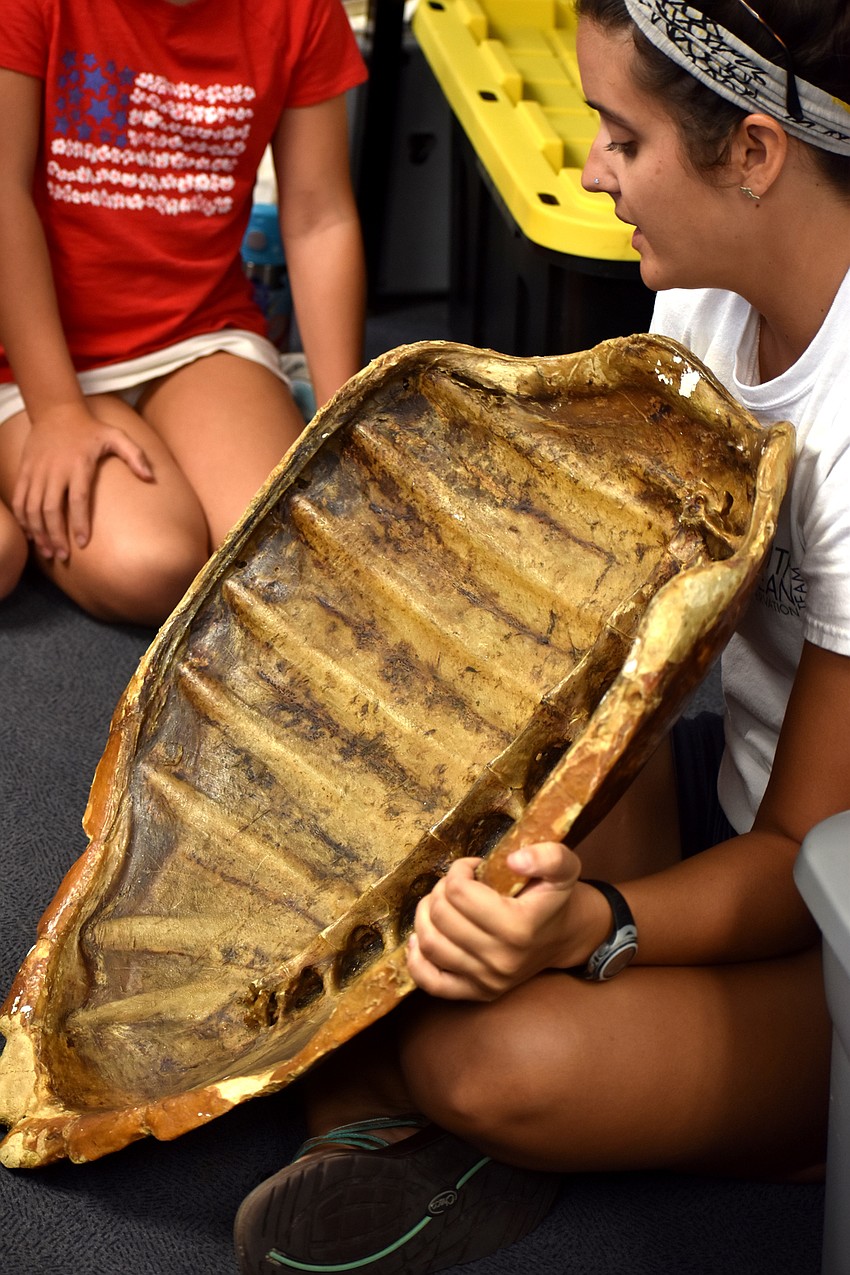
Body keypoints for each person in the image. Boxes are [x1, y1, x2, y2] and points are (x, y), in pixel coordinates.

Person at [233, 2, 850, 1271]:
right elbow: (626, 650)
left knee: (476, 1052)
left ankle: (768, 1129)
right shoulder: (704, 312)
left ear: (751, 152)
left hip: (827, 921)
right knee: (395, 852)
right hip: (730, 824)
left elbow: (804, 854)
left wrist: (597, 924)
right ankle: (496, 1102)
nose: (589, 170)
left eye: (619, 137)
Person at [0, 0, 367, 625]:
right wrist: (59, 412)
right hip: (29, 356)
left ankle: (297, 399)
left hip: (198, 334)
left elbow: (319, 216)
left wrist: (348, 419)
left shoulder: (302, 11)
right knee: (153, 565)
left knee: (287, 558)